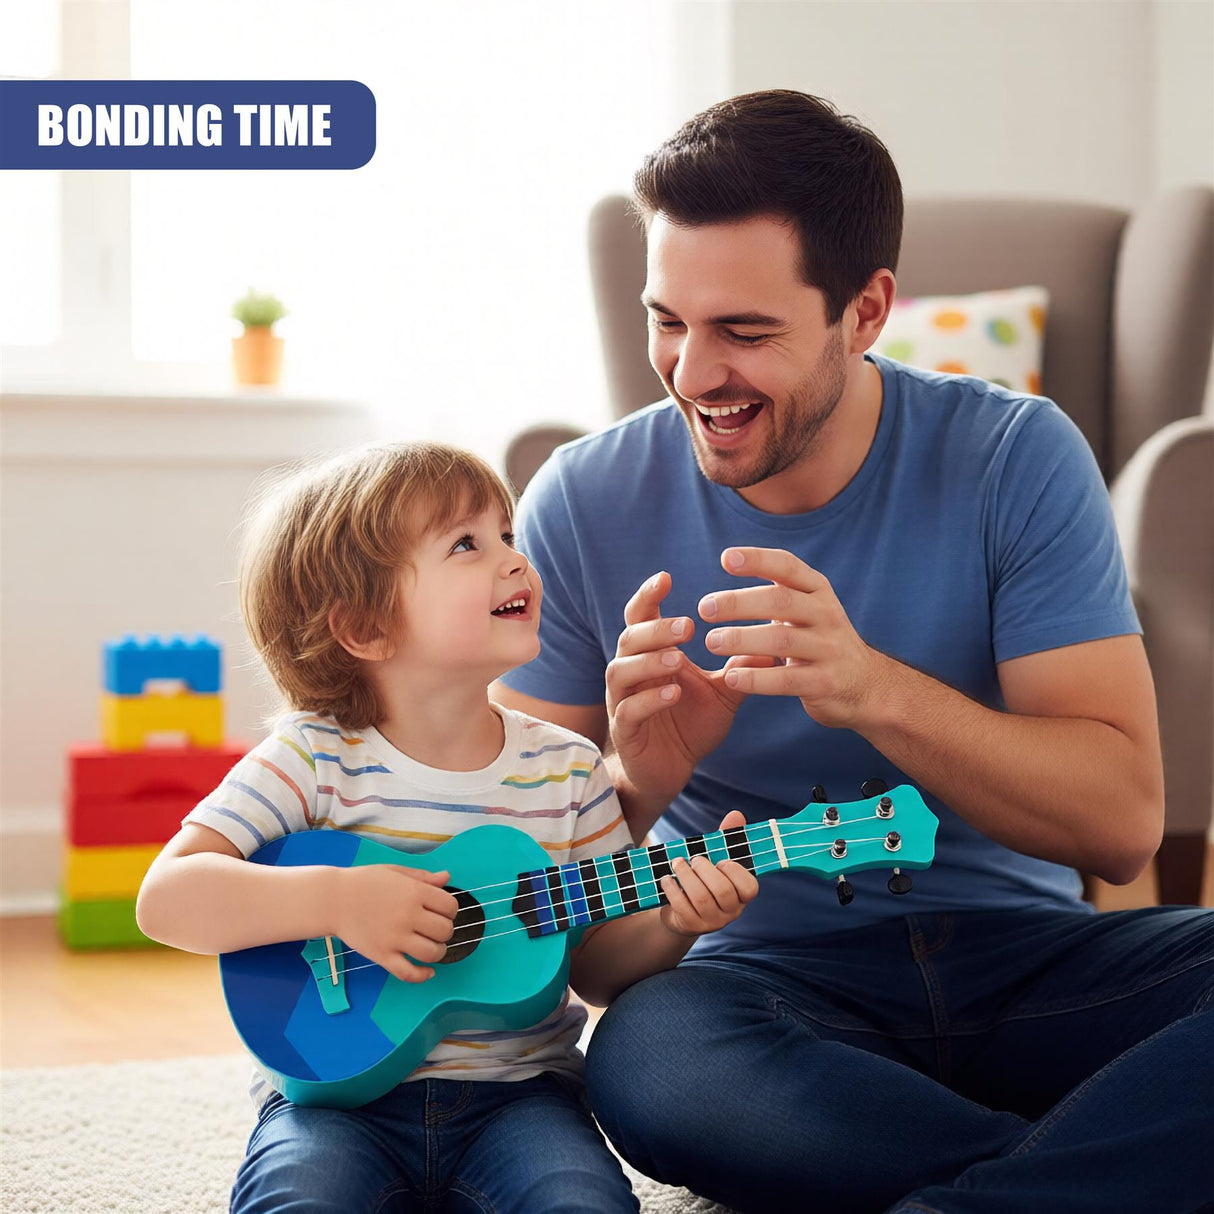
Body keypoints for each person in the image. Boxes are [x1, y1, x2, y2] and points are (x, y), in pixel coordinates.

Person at [492, 91, 1214, 1213]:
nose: (689, 372)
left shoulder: (1012, 455)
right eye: (666, 320)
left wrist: (875, 689)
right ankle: (1092, 1171)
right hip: (759, 982)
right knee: (647, 1064)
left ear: (865, 310)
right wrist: (641, 782)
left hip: (1021, 958)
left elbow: (1118, 823)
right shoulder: (582, 500)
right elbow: (532, 891)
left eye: (743, 331)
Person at [135, 440, 759, 1214]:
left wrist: (675, 921)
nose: (513, 561)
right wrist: (335, 902)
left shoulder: (566, 769)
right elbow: (166, 898)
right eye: (467, 544)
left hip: (523, 1100)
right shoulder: (312, 758)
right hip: (330, 1104)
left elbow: (596, 968)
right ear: (364, 629)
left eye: (507, 534)